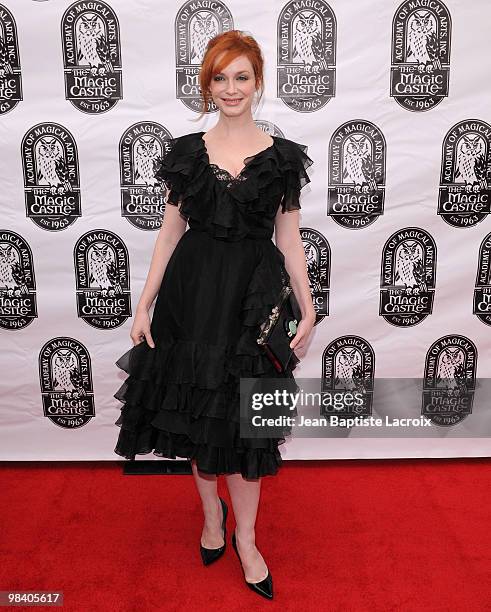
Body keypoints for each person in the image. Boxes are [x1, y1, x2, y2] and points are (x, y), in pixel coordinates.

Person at [113, 30, 315, 600]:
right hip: (193, 298)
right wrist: (144, 302)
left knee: (249, 430)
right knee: (198, 421)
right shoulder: (185, 153)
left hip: (252, 302)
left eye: (242, 76)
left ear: (258, 81)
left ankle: (247, 540)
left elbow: (291, 238)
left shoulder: (282, 159)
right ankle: (211, 519)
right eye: (220, 78)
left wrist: (309, 305)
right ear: (207, 84)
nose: (231, 88)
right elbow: (169, 233)